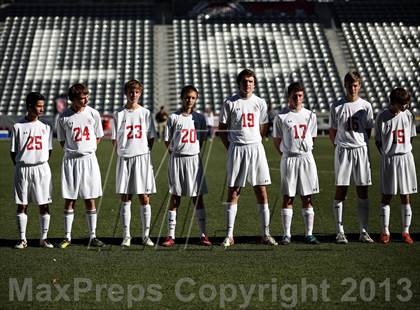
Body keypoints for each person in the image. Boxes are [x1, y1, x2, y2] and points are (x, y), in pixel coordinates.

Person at [218, 68, 277, 247]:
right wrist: (232, 147)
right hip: (237, 149)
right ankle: (229, 235)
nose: (247, 84)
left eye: (251, 81)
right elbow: (222, 129)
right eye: (244, 81)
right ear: (239, 83)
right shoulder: (230, 102)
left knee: (261, 190)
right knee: (234, 191)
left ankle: (265, 234)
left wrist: (255, 140)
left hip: (256, 149)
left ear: (254, 83)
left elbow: (264, 125)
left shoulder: (260, 102)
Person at [162, 85, 212, 247]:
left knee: (197, 198)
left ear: (196, 99)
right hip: (177, 159)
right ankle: (171, 236)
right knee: (175, 197)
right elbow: (167, 139)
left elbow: (202, 139)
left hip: (193, 160)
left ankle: (203, 234)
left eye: (192, 97)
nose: (189, 100)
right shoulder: (174, 117)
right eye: (186, 97)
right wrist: (174, 152)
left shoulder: (200, 118)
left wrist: (192, 151)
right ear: (181, 98)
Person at [56, 83, 105, 248]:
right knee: (70, 199)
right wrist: (74, 151)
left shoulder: (93, 113)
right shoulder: (63, 117)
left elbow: (98, 136)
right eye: (81, 97)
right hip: (71, 161)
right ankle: (67, 237)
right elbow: (62, 140)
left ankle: (93, 236)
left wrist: (87, 150)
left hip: (89, 160)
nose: (85, 99)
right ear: (72, 99)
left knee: (90, 198)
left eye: (86, 96)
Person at [329, 71, 374, 244]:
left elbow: (368, 130)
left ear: (359, 86)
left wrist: (359, 142)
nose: (353, 88)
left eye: (356, 85)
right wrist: (340, 145)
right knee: (342, 189)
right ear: (345, 85)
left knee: (362, 190)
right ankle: (340, 231)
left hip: (361, 150)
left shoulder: (366, 106)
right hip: (344, 151)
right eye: (350, 85)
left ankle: (363, 231)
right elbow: (333, 130)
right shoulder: (337, 105)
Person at [272, 82, 320, 245]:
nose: (297, 98)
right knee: (288, 196)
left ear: (303, 96)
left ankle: (309, 234)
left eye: (300, 95)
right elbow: (277, 140)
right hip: (289, 159)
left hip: (306, 158)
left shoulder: (310, 115)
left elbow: (312, 137)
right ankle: (286, 234)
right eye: (294, 95)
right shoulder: (281, 116)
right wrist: (286, 153)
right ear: (289, 96)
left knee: (307, 197)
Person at [112, 80, 156, 247]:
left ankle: (146, 236)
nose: (133, 94)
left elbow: (150, 137)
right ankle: (127, 235)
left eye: (136, 92)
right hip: (125, 159)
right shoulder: (119, 114)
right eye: (131, 91)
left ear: (140, 93)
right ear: (126, 93)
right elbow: (115, 139)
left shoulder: (145, 113)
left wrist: (142, 152)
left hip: (142, 158)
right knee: (126, 197)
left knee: (144, 198)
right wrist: (124, 152)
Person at [10, 92, 54, 249]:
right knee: (22, 204)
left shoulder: (46, 127)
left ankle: (44, 238)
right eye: (38, 106)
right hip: (23, 169)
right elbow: (13, 152)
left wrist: (38, 160)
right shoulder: (18, 127)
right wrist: (23, 163)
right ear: (29, 106)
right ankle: (22, 239)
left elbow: (49, 151)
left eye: (43, 106)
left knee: (44, 204)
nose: (41, 109)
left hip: (41, 169)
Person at [375, 87, 417, 244]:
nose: (405, 107)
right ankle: (385, 231)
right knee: (387, 195)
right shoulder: (382, 116)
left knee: (405, 195)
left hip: (405, 158)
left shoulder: (409, 115)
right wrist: (387, 154)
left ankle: (406, 231)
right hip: (389, 159)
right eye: (402, 104)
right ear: (394, 102)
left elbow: (411, 137)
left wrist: (403, 150)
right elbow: (378, 140)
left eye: (406, 104)